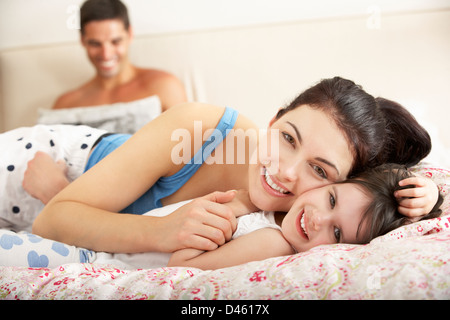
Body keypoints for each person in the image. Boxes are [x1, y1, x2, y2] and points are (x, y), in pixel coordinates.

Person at [25, 77, 439, 256]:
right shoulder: (200, 128)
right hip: (48, 158)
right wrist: (159, 232)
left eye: (320, 170)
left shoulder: (305, 221)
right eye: (287, 138)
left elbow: (383, 191)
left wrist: (429, 194)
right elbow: (52, 221)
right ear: (273, 121)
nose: (284, 171)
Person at [52, 0, 187, 112]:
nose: (106, 54)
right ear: (82, 40)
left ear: (130, 34)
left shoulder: (163, 87)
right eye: (95, 43)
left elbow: (190, 141)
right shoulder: (65, 105)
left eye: (115, 41)